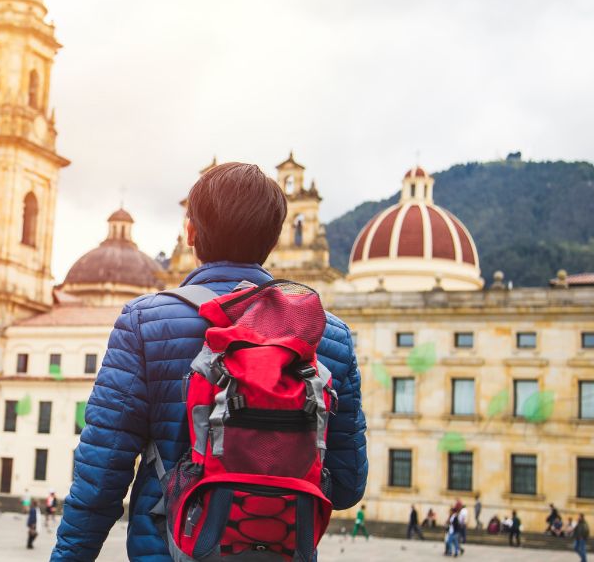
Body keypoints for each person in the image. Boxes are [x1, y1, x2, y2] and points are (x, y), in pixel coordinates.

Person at [52, 162, 368, 560]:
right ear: (272, 240)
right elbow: (347, 485)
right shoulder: (330, 335)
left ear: (191, 233)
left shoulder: (142, 323)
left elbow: (100, 475)